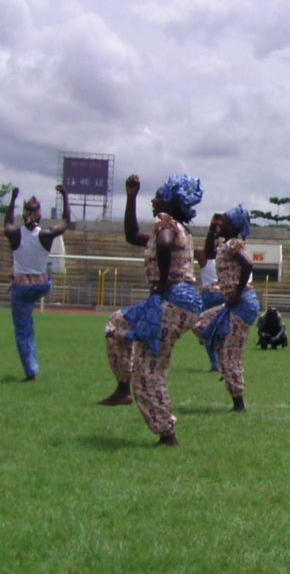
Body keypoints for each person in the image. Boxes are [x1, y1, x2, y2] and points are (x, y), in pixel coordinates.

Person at [98, 174, 204, 446]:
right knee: (121, 330)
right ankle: (124, 388)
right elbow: (132, 235)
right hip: (185, 303)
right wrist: (131, 197)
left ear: (170, 200)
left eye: (159, 195)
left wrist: (162, 282)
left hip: (171, 300)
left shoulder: (166, 224)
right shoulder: (181, 228)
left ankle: (165, 432)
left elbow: (165, 244)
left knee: (145, 366)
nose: (154, 200)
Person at [191, 205, 259, 412]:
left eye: (226, 221)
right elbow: (209, 252)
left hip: (242, 303)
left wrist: (237, 294)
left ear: (235, 225)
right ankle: (220, 347)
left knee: (231, 355)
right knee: (201, 323)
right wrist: (212, 229)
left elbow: (248, 265)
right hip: (236, 302)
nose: (222, 223)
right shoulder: (224, 244)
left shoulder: (234, 244)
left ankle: (239, 404)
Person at [4, 185, 70, 381]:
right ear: (39, 215)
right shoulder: (46, 234)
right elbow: (66, 221)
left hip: (23, 287)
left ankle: (31, 370)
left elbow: (7, 223)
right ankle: (34, 366)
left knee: (23, 331)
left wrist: (12, 200)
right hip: (42, 284)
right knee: (29, 324)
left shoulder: (16, 234)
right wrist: (65, 196)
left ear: (24, 214)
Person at [194, 213, 224, 372]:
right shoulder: (225, 253)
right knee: (220, 329)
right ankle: (221, 359)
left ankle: (214, 362)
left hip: (208, 294)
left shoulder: (201, 253)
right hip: (222, 293)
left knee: (204, 328)